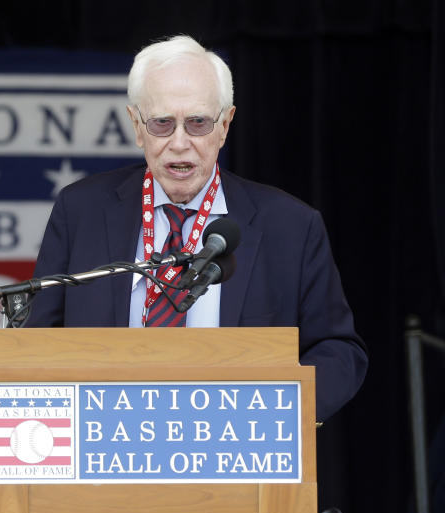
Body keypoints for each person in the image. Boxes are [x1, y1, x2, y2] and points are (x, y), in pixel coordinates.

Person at [26, 35, 367, 419]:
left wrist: (278, 414)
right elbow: (36, 340)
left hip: (234, 455)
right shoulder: (81, 211)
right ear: (136, 125)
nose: (179, 143)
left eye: (198, 123)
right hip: (103, 449)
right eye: (162, 123)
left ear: (225, 125)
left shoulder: (291, 226)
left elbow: (339, 350)